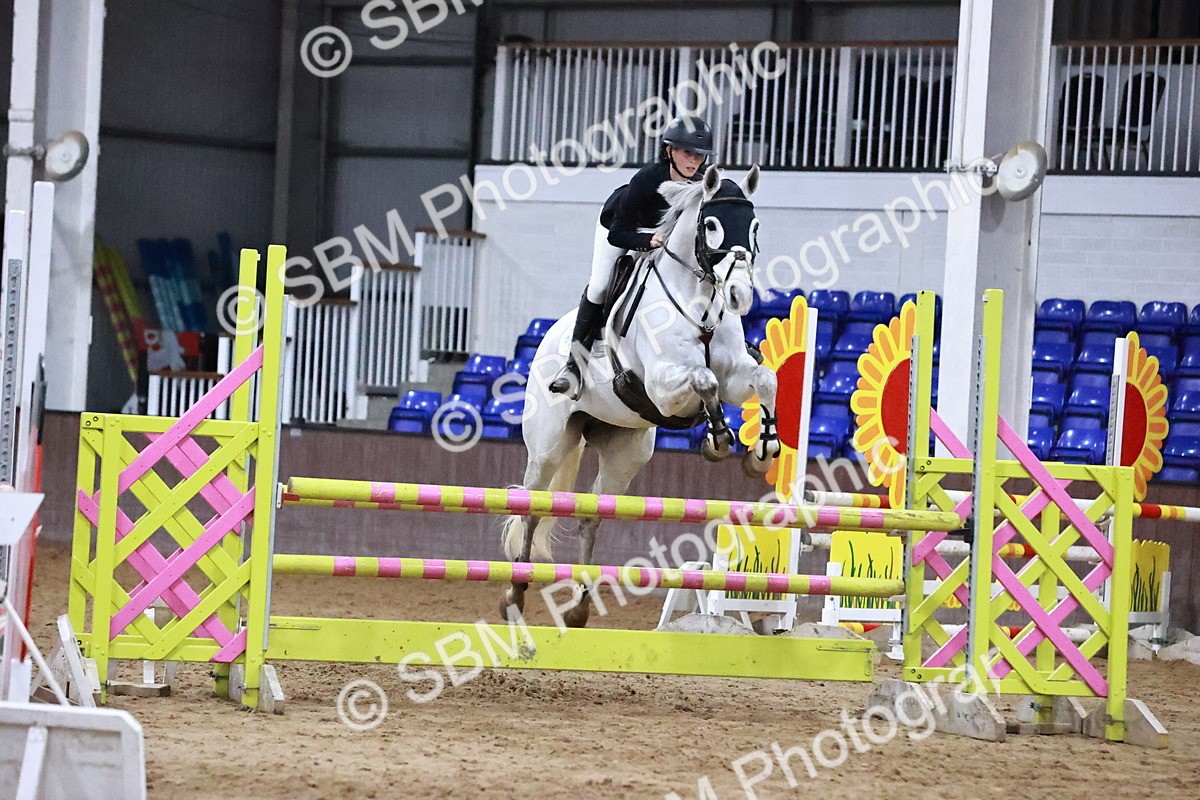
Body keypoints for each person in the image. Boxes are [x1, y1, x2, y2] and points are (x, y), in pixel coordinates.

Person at [548, 115, 716, 399]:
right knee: (600, 285)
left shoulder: (702, 183)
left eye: (700, 155)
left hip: (662, 239)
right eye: (688, 152)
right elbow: (618, 233)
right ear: (668, 151)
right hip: (622, 227)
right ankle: (574, 367)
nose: (694, 161)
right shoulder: (647, 180)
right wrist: (646, 241)